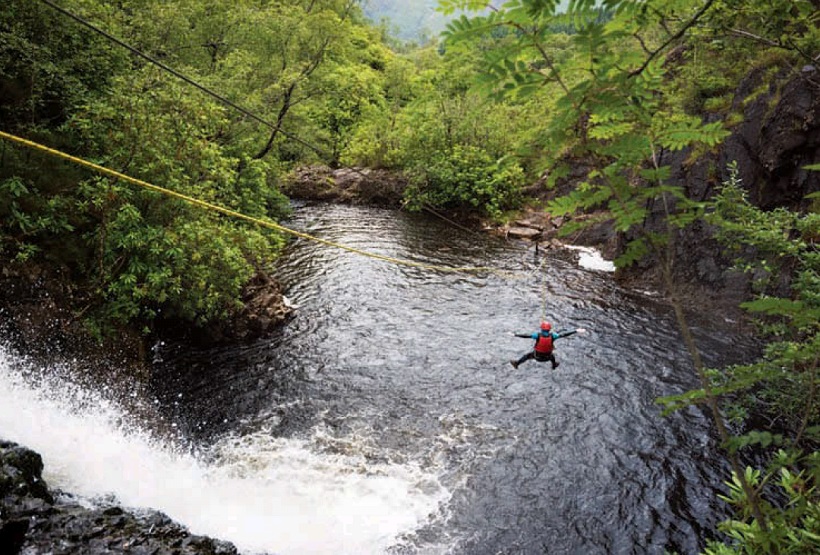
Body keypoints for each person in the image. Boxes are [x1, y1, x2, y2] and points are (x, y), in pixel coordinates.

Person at [510, 321, 585, 370]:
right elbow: (564, 334)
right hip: (548, 357)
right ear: (549, 329)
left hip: (536, 357)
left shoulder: (537, 336)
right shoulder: (553, 336)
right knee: (552, 356)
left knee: (526, 356)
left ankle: (517, 363)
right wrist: (576, 331)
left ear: (541, 329)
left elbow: (526, 336)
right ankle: (554, 365)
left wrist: (515, 335)